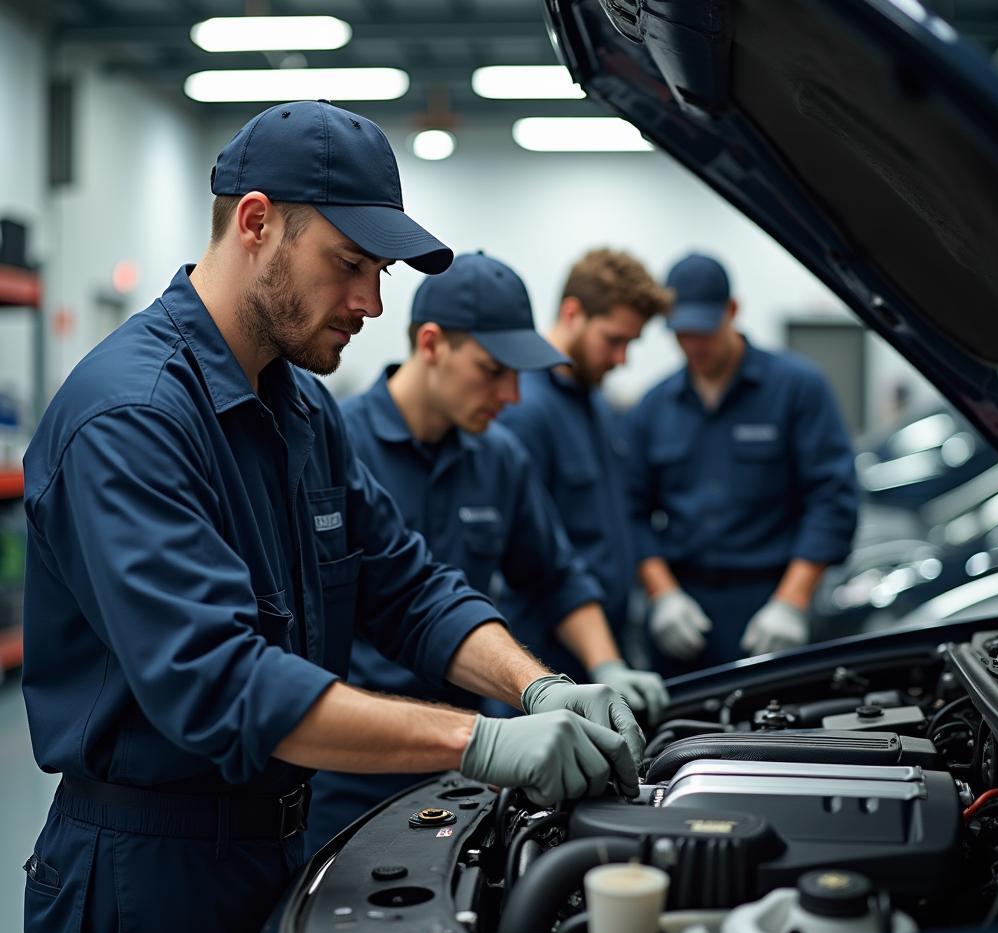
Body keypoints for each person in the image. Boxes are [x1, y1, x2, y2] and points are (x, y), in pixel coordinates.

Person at [19, 101, 643, 933]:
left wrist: (537, 688)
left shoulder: (302, 413)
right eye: (349, 265)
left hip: (281, 848)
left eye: (379, 272)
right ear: (257, 222)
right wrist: (483, 742)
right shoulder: (133, 418)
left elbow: (405, 583)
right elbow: (223, 684)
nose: (372, 303)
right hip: (149, 875)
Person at [305, 251, 668, 850]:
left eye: (519, 375)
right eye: (493, 370)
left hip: (467, 768)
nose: (512, 395)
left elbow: (554, 576)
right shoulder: (338, 447)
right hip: (352, 773)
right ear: (431, 344)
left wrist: (605, 668)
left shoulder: (499, 459)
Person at [628, 252, 858, 672]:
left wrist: (792, 602)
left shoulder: (797, 389)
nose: (693, 345)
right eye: (681, 333)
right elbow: (631, 511)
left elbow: (832, 499)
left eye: (704, 330)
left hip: (772, 599)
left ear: (732, 311)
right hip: (684, 608)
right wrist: (662, 595)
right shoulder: (654, 406)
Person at [498, 248, 673, 680]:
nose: (622, 359)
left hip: (603, 647)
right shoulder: (524, 409)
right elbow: (529, 561)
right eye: (614, 340)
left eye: (630, 344)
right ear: (572, 312)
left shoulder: (594, 401)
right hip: (546, 658)